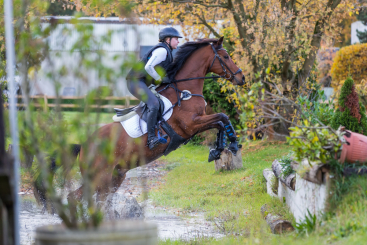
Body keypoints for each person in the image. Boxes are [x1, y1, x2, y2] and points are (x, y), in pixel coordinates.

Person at [127, 27, 182, 150]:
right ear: (168, 39)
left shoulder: (167, 51)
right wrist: (159, 79)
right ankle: (151, 138)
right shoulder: (162, 50)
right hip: (135, 81)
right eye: (176, 39)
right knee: (154, 103)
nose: (178, 42)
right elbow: (148, 67)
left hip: (142, 82)